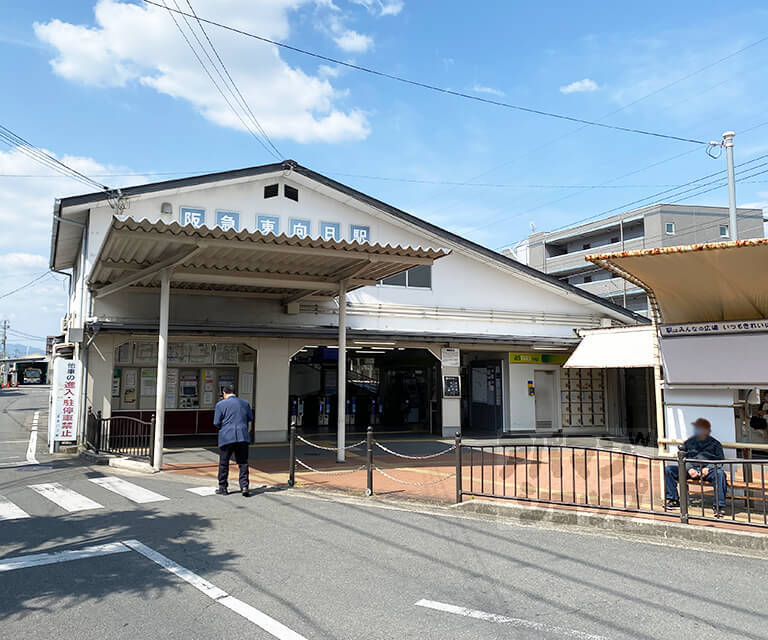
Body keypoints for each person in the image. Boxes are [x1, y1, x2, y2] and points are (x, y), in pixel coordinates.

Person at [664, 417, 727, 516]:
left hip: (708, 470)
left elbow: (720, 460)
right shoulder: (689, 442)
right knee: (668, 470)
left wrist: (708, 468)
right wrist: (689, 468)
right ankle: (673, 500)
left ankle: (719, 506)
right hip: (691, 469)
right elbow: (683, 456)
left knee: (720, 474)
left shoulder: (715, 444)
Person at [213, 385, 253, 497]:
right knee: (243, 462)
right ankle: (244, 486)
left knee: (224, 463)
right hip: (242, 436)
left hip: (227, 437)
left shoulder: (220, 404)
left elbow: (216, 422)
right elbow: (250, 418)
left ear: (224, 393)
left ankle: (223, 487)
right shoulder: (245, 403)